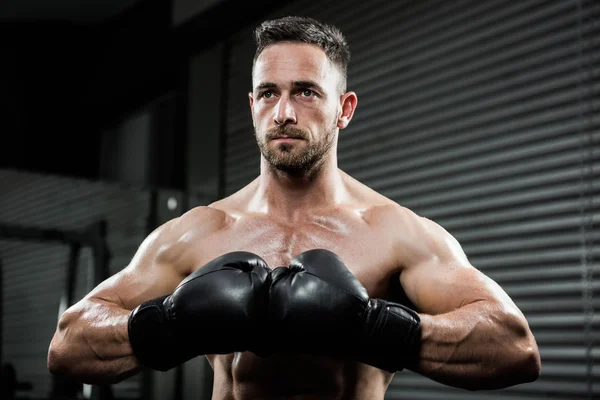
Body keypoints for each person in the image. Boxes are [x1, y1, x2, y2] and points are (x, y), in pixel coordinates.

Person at [47, 16, 541, 399]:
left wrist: (371, 326)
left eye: (305, 91)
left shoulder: (394, 232)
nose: (284, 112)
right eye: (269, 93)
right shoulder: (199, 232)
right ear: (252, 105)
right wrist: (170, 324)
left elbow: (514, 348)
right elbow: (67, 347)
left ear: (344, 109)